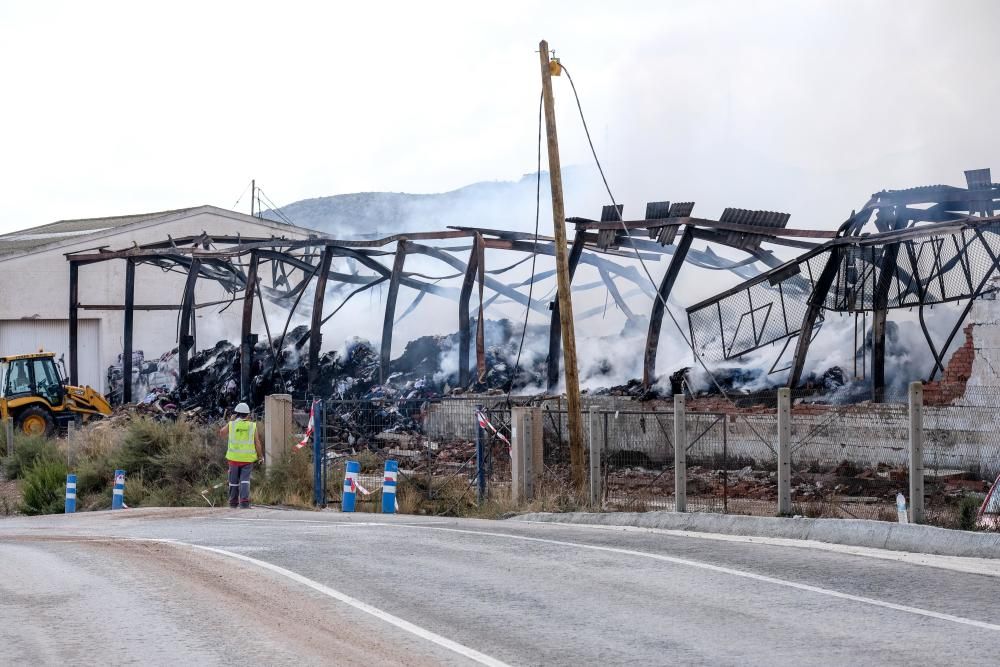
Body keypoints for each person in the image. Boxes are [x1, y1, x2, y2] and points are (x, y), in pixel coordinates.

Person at [218, 402, 264, 509]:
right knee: (245, 480)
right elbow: (257, 443)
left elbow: (221, 433)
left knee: (233, 482)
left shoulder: (232, 424)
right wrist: (260, 456)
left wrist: (230, 421)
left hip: (233, 459)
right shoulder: (252, 426)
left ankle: (233, 502)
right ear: (248, 414)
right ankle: (244, 502)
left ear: (236, 414)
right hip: (247, 460)